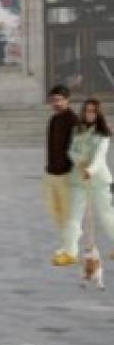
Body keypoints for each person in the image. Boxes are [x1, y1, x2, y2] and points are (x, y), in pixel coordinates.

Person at [55, 99, 114, 266]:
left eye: (93, 111)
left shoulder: (103, 134)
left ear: (98, 113)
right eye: (87, 110)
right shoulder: (76, 130)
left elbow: (100, 157)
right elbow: (71, 150)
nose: (90, 114)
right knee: (72, 216)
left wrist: (90, 169)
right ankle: (70, 252)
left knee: (107, 215)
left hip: (99, 179)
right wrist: (80, 162)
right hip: (78, 178)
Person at [44, 85, 79, 261]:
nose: (55, 103)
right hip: (52, 173)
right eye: (53, 100)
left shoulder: (73, 121)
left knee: (68, 213)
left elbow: (77, 150)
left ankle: (71, 250)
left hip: (67, 174)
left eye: (59, 100)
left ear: (67, 100)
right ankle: (67, 244)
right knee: (55, 211)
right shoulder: (53, 120)